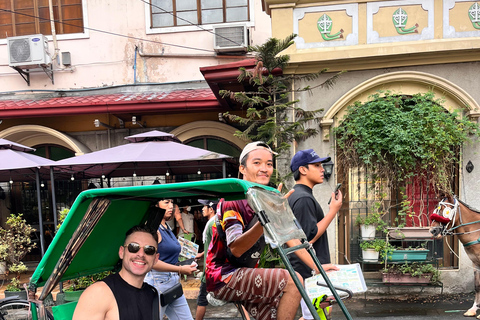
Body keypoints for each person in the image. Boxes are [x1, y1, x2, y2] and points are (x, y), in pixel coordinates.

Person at [205, 141, 331, 320]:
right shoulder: (233, 200)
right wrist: (266, 217)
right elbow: (236, 248)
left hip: (245, 273)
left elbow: (292, 240)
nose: (264, 168)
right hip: (224, 276)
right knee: (293, 282)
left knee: (277, 312)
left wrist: (316, 267)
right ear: (242, 168)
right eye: (257, 163)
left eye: (269, 164)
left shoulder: (266, 196)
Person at [288, 149, 343, 320]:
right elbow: (307, 238)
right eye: (317, 165)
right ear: (303, 170)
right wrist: (333, 211)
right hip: (309, 271)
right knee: (317, 315)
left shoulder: (299, 195)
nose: (322, 169)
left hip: (308, 270)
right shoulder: (303, 198)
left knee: (320, 313)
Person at [73, 225, 160, 320]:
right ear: (121, 252)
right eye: (133, 247)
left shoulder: (151, 293)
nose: (141, 254)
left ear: (156, 258)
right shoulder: (99, 293)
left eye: (149, 250)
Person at [144, 199, 197, 320]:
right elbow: (151, 261)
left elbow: (173, 246)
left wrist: (195, 253)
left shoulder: (165, 225)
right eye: (166, 203)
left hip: (173, 282)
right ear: (156, 205)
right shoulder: (153, 229)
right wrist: (180, 269)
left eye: (172, 202)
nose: (171, 206)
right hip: (157, 283)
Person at [194, 199, 218, 320]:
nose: (202, 209)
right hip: (217, 268)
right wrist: (202, 254)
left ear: (211, 209)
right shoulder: (216, 222)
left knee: (201, 300)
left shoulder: (212, 224)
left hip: (210, 270)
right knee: (237, 299)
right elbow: (213, 244)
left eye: (204, 206)